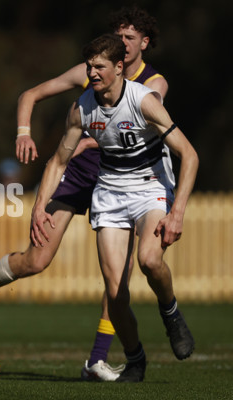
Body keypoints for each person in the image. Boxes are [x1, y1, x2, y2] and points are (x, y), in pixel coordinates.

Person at [0, 6, 168, 381]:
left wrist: (90, 142)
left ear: (144, 43)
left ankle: (96, 360)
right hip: (79, 173)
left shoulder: (154, 84)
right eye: (118, 37)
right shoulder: (90, 71)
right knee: (36, 259)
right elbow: (30, 95)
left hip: (123, 182)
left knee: (119, 283)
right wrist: (23, 133)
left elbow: (138, 130)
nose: (123, 45)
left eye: (130, 39)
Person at [32, 33, 198, 382]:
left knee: (150, 260)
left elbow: (190, 155)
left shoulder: (145, 101)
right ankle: (135, 359)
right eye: (89, 66)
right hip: (109, 192)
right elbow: (58, 162)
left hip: (150, 187)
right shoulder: (81, 108)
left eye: (100, 67)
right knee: (115, 293)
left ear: (119, 67)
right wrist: (39, 208)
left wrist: (177, 211)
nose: (92, 73)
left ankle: (170, 313)